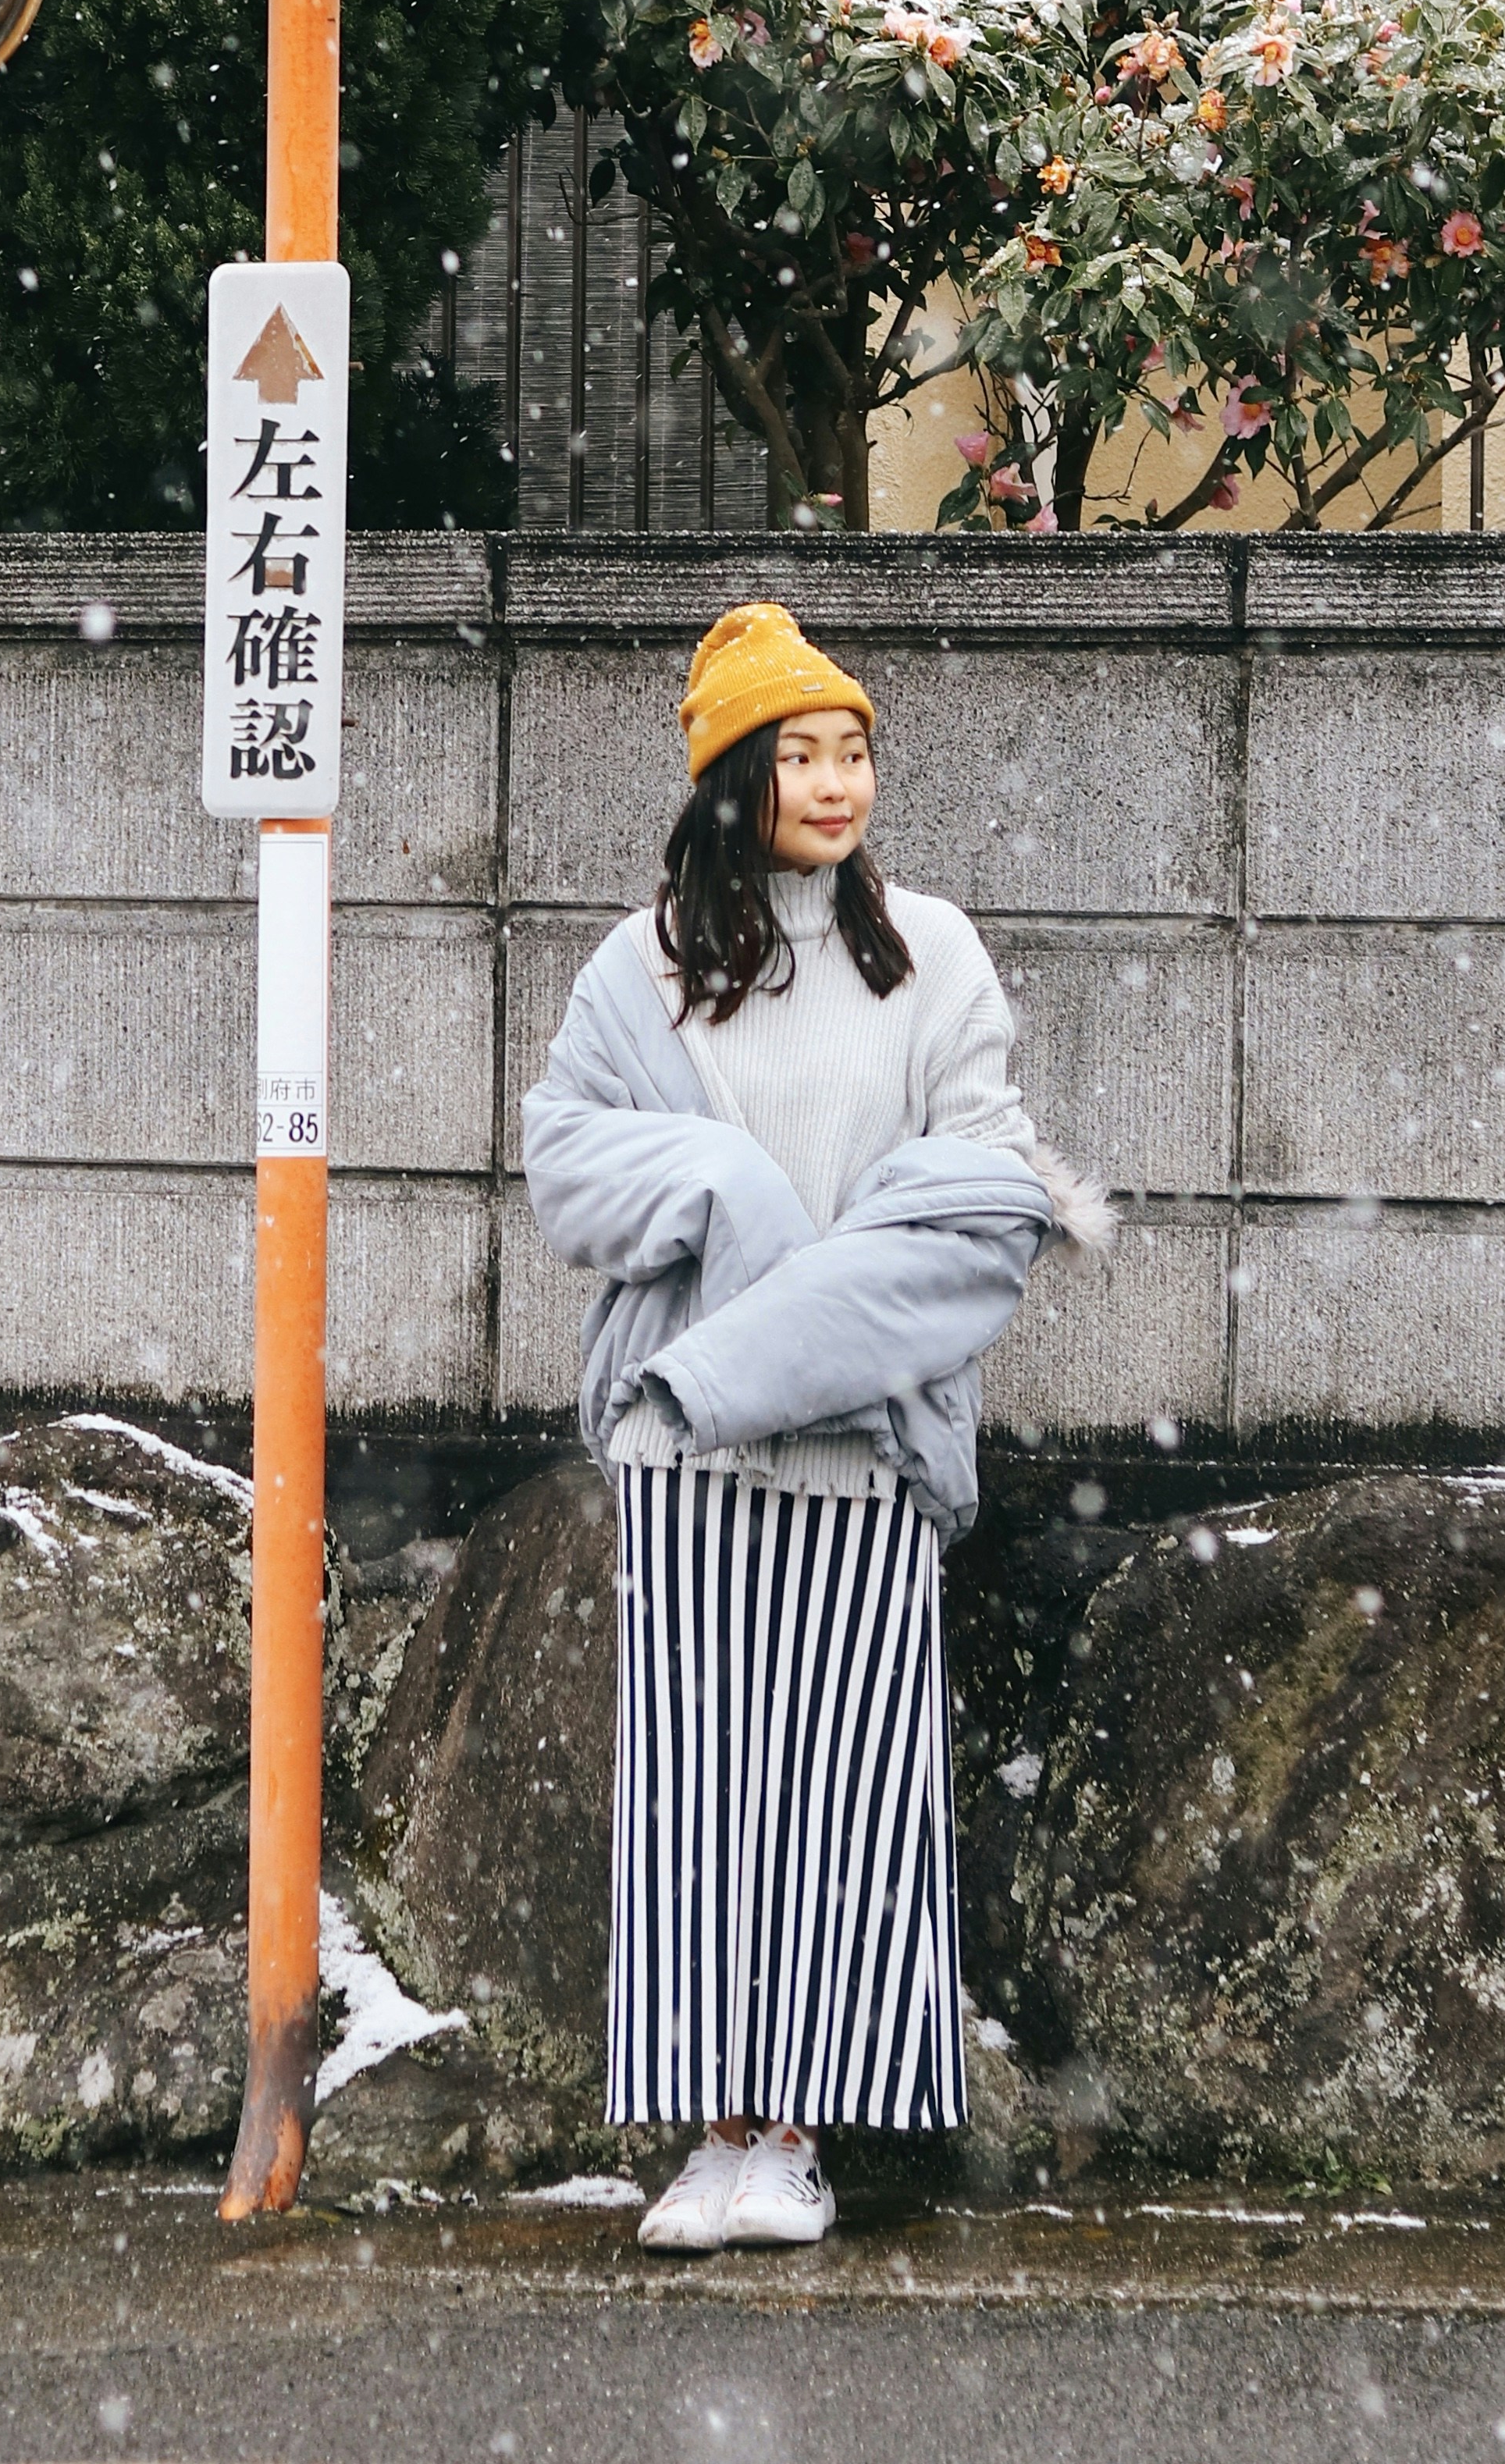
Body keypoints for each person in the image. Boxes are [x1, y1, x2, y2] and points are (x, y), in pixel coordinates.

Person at [520, 600, 1110, 2257]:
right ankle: (716, 2127)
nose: (840, 781)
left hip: (867, 1442)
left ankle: (797, 2136)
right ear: (732, 777)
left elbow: (987, 1177)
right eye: (804, 753)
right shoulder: (638, 966)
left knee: (840, 1787)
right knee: (702, 1791)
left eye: (855, 750)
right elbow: (568, 1157)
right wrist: (720, 1185)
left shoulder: (928, 947)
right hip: (690, 1454)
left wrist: (800, 1308)